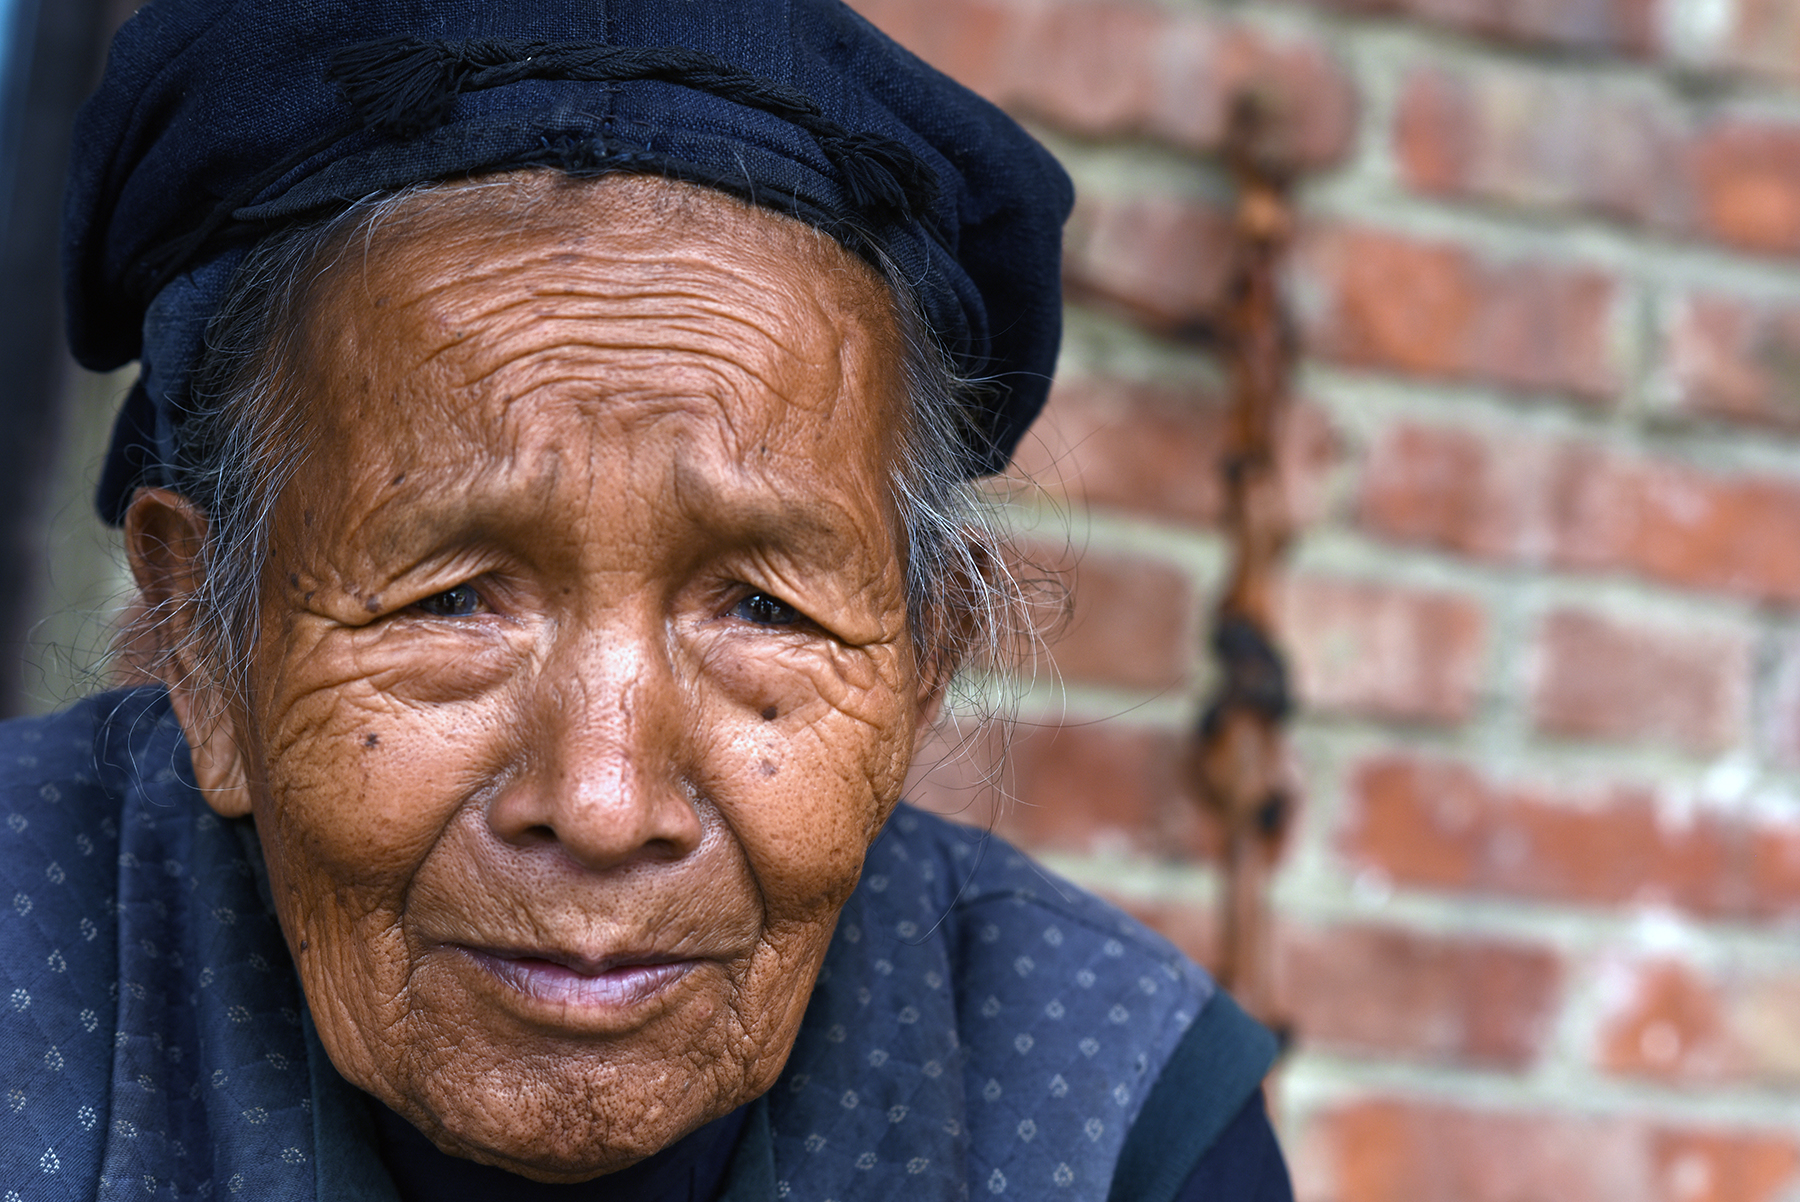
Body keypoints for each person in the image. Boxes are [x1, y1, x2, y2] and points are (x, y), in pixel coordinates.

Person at [0, 1, 1292, 1198]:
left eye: (765, 610)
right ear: (204, 644)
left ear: (922, 666)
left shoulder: (1113, 1111)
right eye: (451, 599)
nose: (605, 802)